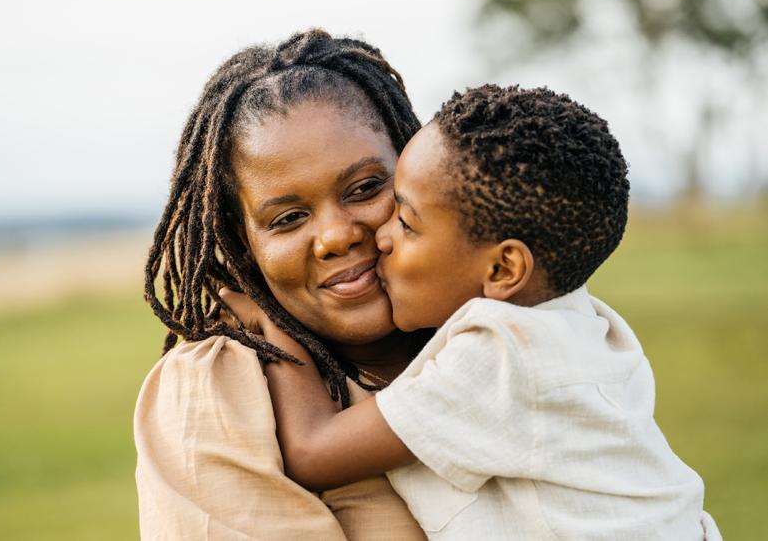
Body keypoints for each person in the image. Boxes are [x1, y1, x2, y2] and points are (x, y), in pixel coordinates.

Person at [222, 85, 722, 539]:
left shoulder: (502, 358)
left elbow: (313, 451)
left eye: (408, 222)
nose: (383, 236)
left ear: (504, 268)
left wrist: (272, 323)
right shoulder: (581, 323)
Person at [134, 29, 431, 540]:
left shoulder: (506, 329)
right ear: (244, 244)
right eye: (288, 218)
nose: (336, 237)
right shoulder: (221, 390)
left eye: (365, 188)